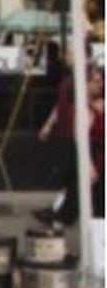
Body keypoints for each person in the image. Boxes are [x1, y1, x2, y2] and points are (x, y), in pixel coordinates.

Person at [36, 65, 105, 223]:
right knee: (77, 185)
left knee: (86, 192)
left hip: (99, 153)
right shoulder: (81, 106)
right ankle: (62, 215)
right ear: (86, 84)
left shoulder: (99, 104)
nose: (100, 84)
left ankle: (62, 215)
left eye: (101, 81)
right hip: (90, 152)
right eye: (96, 81)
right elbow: (81, 136)